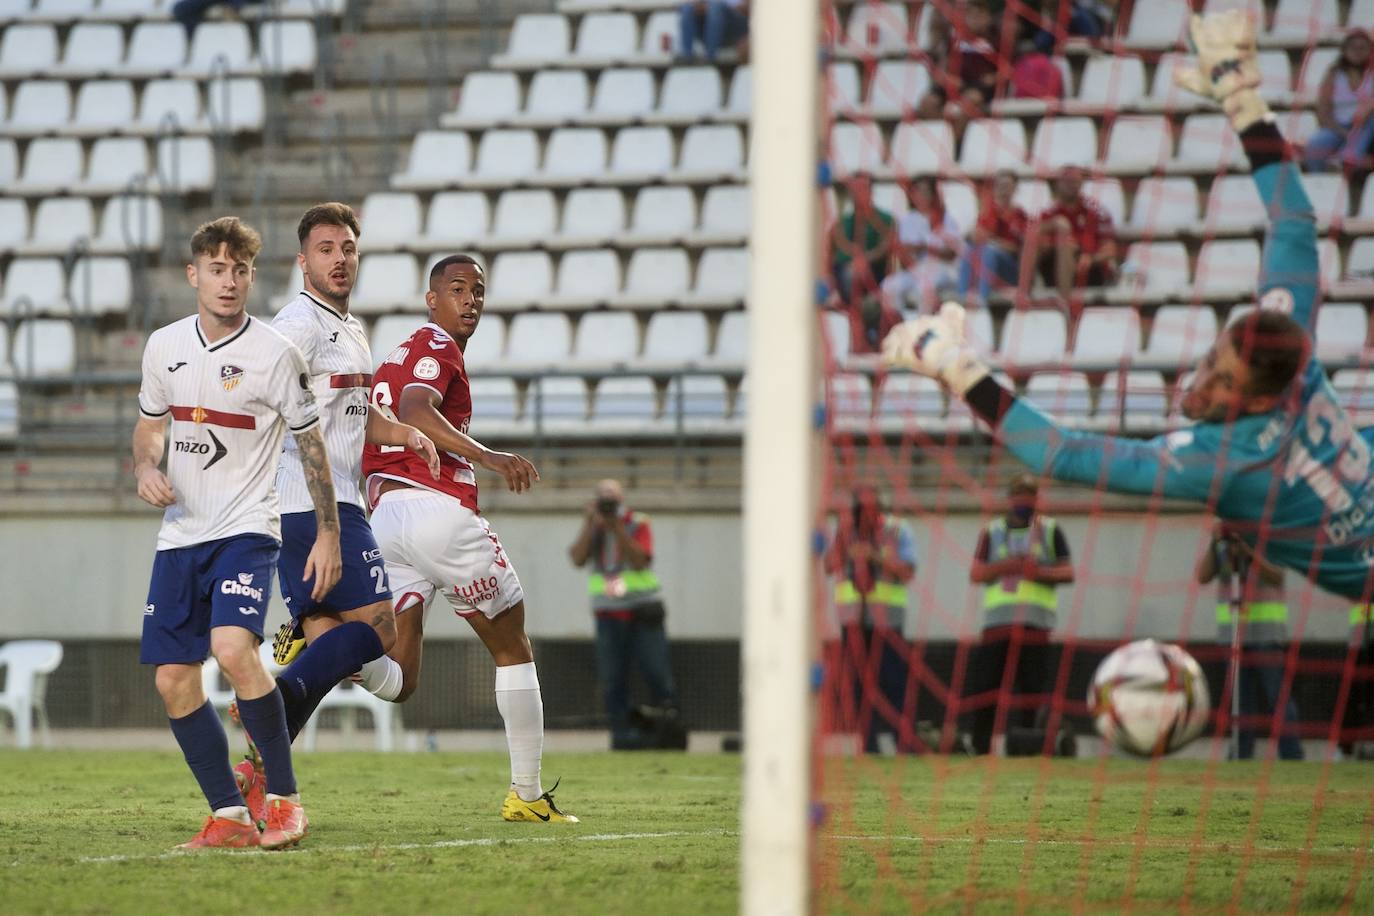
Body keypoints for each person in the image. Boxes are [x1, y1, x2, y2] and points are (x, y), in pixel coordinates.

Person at [882, 13, 1374, 615]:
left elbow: (1060, 453)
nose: (1201, 379)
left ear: (1259, 402)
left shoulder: (1217, 464)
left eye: (1222, 383)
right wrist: (1241, 96)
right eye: (1210, 362)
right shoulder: (1283, 342)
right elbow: (1294, 219)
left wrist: (956, 369)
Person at [226, 203, 442, 824]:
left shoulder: (349, 328)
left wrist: (401, 432)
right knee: (379, 634)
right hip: (318, 506)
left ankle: (262, 776)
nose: (339, 258)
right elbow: (256, 390)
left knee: (327, 643)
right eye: (325, 249)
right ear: (303, 261)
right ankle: (275, 692)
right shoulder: (298, 322)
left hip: (304, 508)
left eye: (347, 247)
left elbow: (348, 411)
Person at [133, 216, 339, 849]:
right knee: (172, 678)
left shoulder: (277, 354)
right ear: (194, 274)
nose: (228, 282)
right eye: (217, 269)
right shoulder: (164, 346)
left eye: (240, 270)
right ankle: (228, 814)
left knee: (231, 648)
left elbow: (312, 449)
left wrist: (328, 533)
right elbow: (150, 426)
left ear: (252, 276)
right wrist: (146, 463)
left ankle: (284, 800)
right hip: (180, 536)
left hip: (248, 528)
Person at [361, 254, 578, 823]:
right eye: (458, 289)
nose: (472, 300)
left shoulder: (398, 352)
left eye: (479, 291)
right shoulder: (437, 347)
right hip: (436, 512)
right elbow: (415, 408)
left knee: (399, 679)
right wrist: (488, 456)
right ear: (432, 299)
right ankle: (526, 796)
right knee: (512, 646)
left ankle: (324, 642)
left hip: (384, 517)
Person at [963, 473, 1074, 755]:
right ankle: (980, 747)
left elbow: (1068, 571)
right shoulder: (993, 531)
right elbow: (976, 573)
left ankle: (1027, 746)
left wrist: (1037, 572)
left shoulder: (1050, 530)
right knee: (987, 687)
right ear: (1010, 498)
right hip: (997, 624)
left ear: (1036, 499)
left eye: (1029, 495)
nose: (1023, 500)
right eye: (1019, 494)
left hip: (1035, 624)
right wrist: (1007, 566)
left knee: (1032, 688)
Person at [567, 479, 682, 750]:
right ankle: (622, 736)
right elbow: (577, 558)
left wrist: (617, 527)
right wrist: (589, 523)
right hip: (608, 613)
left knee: (656, 671)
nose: (607, 505)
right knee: (612, 677)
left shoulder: (637, 522)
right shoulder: (593, 526)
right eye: (602, 499)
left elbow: (641, 560)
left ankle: (669, 732)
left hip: (642, 609)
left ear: (622, 501)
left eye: (612, 499)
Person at [1195, 525, 1303, 760]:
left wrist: (1249, 550)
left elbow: (1278, 576)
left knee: (1278, 698)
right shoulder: (1222, 544)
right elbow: (1202, 576)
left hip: (1266, 634)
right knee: (1239, 703)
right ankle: (1241, 754)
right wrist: (1215, 543)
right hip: (1232, 634)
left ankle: (1292, 755)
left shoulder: (1270, 538)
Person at [825, 485, 917, 754]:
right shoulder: (844, 531)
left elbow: (908, 571)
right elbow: (829, 566)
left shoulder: (898, 530)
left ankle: (905, 741)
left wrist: (874, 555)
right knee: (858, 685)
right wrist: (845, 547)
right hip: (853, 621)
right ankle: (868, 742)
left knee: (894, 681)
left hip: (887, 621)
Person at [1032, 165, 1120, 304]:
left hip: (1090, 268)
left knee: (1067, 246)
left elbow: (1110, 250)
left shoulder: (1096, 211)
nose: (1071, 185)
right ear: (1057, 184)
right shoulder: (1048, 213)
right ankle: (1025, 292)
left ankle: (1064, 304)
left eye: (1075, 181)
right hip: (1056, 265)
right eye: (1066, 181)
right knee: (1054, 244)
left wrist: (1091, 259)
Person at [880, 176, 965, 314]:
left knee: (925, 288)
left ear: (933, 195)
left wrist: (926, 248)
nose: (921, 196)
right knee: (888, 286)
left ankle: (923, 330)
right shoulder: (907, 220)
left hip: (942, 269)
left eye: (926, 191)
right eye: (917, 191)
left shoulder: (946, 219)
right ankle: (899, 328)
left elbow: (952, 254)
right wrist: (905, 253)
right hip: (915, 269)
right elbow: (902, 256)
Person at [1304, 29, 1374, 173]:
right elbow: (1323, 111)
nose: (1358, 52)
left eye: (1362, 48)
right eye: (1353, 47)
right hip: (1338, 125)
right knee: (1314, 146)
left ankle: (1347, 158)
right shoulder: (1334, 74)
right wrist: (1342, 132)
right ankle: (1320, 182)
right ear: (1345, 50)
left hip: (1366, 124)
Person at [957, 169, 1028, 308]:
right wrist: (976, 236)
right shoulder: (989, 212)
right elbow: (974, 235)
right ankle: (963, 299)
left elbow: (1018, 249)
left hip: (1011, 271)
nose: (1003, 190)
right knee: (970, 250)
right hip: (990, 267)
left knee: (988, 251)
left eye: (1007, 186)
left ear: (1015, 189)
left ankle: (980, 302)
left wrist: (991, 241)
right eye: (1000, 186)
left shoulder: (1020, 215)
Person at [829, 171, 895, 310]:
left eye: (862, 188)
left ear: (871, 191)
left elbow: (886, 248)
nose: (857, 193)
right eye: (854, 189)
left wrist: (864, 260)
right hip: (847, 274)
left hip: (875, 272)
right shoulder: (843, 222)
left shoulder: (886, 219)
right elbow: (835, 253)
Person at [678, 0, 748, 62]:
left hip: (734, 21)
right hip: (708, 21)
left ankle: (710, 56)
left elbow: (745, 6)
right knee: (687, 8)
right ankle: (687, 55)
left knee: (716, 7)